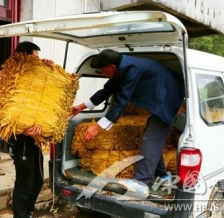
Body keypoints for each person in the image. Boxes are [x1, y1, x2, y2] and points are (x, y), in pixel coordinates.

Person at [71, 49, 184, 189]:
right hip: (161, 99)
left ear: (112, 67)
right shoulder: (121, 69)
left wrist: (97, 126)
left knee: (151, 138)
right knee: (151, 138)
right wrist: (80, 107)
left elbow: (121, 102)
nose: (104, 74)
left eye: (103, 71)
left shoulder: (132, 69)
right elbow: (106, 91)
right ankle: (162, 175)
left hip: (168, 99)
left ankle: (141, 183)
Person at [9, 41, 53, 218]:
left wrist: (48, 70)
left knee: (37, 180)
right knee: (25, 180)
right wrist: (22, 128)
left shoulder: (31, 77)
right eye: (35, 57)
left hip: (34, 139)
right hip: (21, 139)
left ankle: (27, 214)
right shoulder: (12, 78)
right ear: (24, 57)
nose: (38, 61)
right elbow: (4, 111)